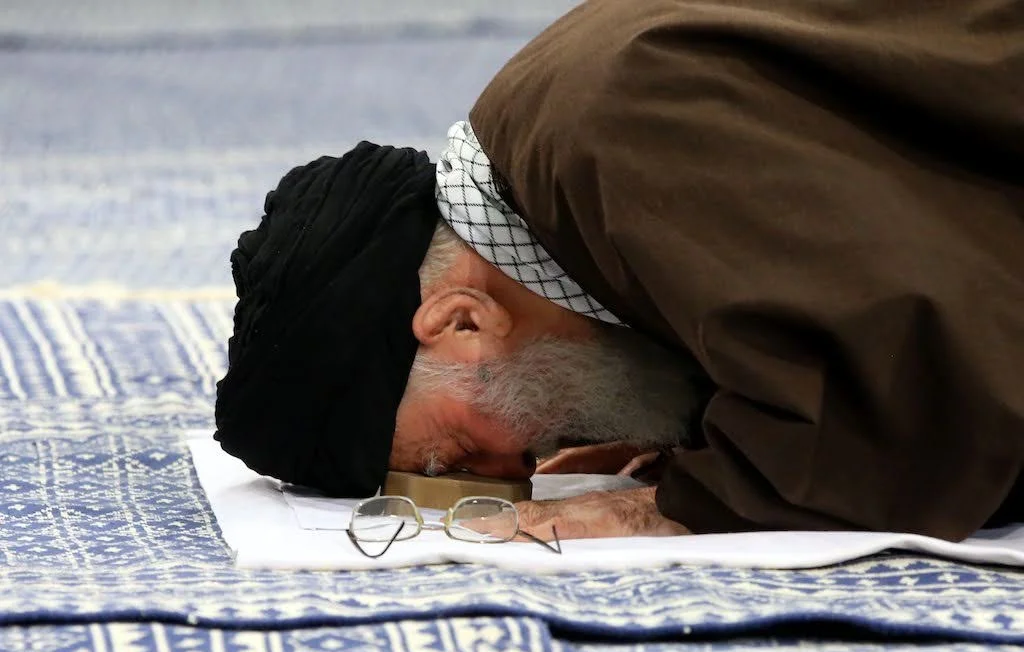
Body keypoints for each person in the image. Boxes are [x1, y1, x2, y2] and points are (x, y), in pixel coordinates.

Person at [215, 0, 1024, 542]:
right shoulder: (545, 155)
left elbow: (931, 379)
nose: (516, 476)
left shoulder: (619, 137)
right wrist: (700, 424)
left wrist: (689, 502)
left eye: (458, 453)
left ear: (461, 318)